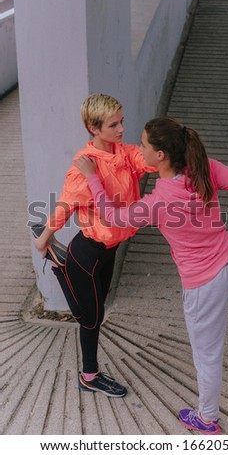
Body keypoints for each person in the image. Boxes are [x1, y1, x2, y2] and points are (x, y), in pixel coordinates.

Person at [74, 116, 228, 435]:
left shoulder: (160, 201)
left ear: (160, 155)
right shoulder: (203, 167)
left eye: (143, 145)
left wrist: (91, 177)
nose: (138, 148)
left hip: (204, 284)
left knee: (207, 357)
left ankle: (207, 419)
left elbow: (112, 216)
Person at [34, 93, 156, 397]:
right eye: (113, 124)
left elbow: (148, 162)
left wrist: (172, 152)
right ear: (94, 128)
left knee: (95, 307)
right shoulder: (84, 166)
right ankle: (89, 376)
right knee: (92, 319)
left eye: (121, 121)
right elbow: (65, 206)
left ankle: (61, 266)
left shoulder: (124, 152)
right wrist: (42, 238)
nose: (121, 129)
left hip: (109, 251)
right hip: (88, 253)